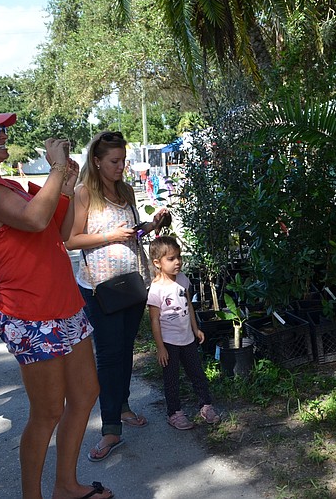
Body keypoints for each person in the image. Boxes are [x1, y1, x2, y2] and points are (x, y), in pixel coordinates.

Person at [0, 105, 112, 499]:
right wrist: (53, 169)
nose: (3, 136)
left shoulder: (8, 185)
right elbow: (34, 220)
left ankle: (66, 485)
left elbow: (59, 231)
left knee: (85, 395)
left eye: (2, 129)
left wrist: (64, 186)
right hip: (32, 315)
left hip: (64, 306)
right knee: (48, 411)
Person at [65, 130, 168, 462]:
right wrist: (110, 235)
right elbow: (70, 240)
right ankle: (110, 428)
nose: (121, 167)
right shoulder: (83, 194)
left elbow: (132, 234)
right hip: (101, 289)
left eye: (123, 160)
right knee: (109, 355)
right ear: (96, 162)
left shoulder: (124, 190)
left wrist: (151, 226)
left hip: (132, 284)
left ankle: (121, 407)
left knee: (125, 351)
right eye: (114, 161)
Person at [147, 236, 220, 429]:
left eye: (178, 257)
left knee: (197, 373)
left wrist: (195, 329)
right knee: (171, 380)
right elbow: (154, 319)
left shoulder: (182, 279)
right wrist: (160, 347)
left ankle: (206, 406)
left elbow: (189, 305)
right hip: (169, 342)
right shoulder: (156, 289)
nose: (177, 262)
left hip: (187, 339)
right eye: (171, 259)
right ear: (157, 263)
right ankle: (174, 413)